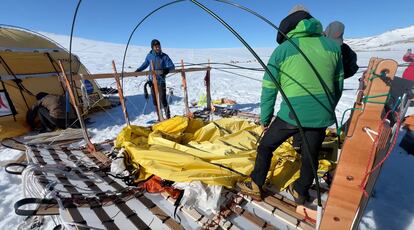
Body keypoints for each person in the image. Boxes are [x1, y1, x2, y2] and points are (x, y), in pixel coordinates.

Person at [237, 5, 344, 204]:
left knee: (265, 146)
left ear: (288, 25)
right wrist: (325, 108)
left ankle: (256, 184)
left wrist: (265, 119)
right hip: (322, 115)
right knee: (310, 156)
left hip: (292, 114)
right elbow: (338, 85)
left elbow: (269, 88)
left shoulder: (283, 50)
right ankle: (301, 192)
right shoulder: (332, 47)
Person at [135, 39, 175, 119]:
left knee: (163, 99)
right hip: (152, 81)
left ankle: (168, 117)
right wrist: (139, 70)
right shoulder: (149, 56)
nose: (158, 48)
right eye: (156, 46)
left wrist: (166, 70)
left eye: (159, 46)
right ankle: (159, 117)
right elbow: (145, 64)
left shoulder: (164, 56)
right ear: (152, 47)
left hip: (161, 81)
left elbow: (172, 66)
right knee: (155, 101)